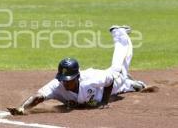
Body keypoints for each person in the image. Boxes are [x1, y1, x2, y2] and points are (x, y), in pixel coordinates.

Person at [8, 25, 148, 115]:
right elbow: (38, 97)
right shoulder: (57, 85)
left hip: (110, 83)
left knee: (118, 71)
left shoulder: (91, 78)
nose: (66, 83)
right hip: (97, 94)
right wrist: (22, 108)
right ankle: (131, 84)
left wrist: (104, 102)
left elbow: (109, 81)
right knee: (124, 84)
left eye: (69, 80)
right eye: (63, 80)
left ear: (77, 76)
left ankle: (120, 34)